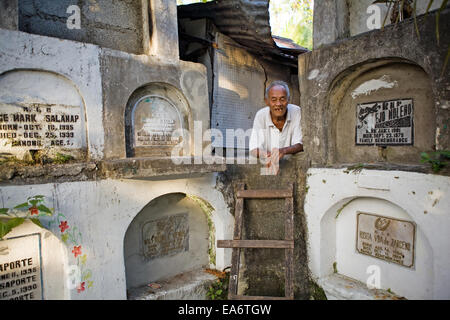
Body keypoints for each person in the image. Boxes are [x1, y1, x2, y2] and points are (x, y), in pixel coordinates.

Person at [249, 80, 303, 174]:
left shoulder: (297, 112)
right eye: (274, 100)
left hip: (292, 167)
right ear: (267, 101)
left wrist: (283, 151)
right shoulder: (261, 115)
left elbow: (300, 144)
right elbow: (253, 148)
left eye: (282, 99)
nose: (278, 104)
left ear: (288, 99)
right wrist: (268, 156)